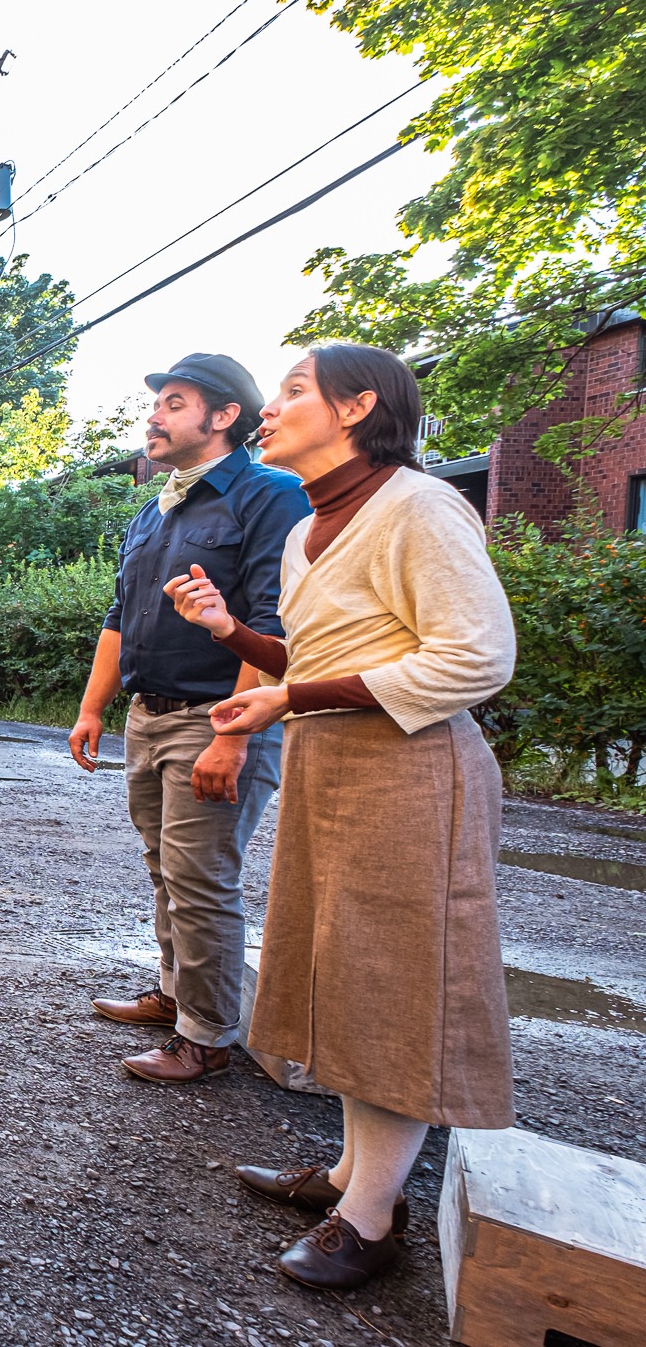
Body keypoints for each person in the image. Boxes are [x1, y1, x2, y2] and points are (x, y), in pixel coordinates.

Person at [163, 342, 515, 1290]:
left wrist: (290, 699)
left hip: (412, 773)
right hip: (337, 768)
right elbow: (313, 662)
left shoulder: (420, 505)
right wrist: (229, 638)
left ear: (358, 407)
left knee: (394, 985)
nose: (269, 410)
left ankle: (372, 1218)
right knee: (344, 974)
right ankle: (355, 1172)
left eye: (291, 393)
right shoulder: (306, 530)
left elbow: (478, 658)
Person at [69, 353, 313, 1083]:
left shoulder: (270, 496)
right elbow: (121, 616)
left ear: (223, 415)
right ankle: (178, 996)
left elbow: (276, 620)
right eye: (159, 404)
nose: (155, 416)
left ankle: (206, 1034)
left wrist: (234, 735)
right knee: (164, 869)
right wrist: (92, 707)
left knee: (201, 876)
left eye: (174, 403)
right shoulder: (156, 508)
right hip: (150, 713)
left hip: (220, 714)